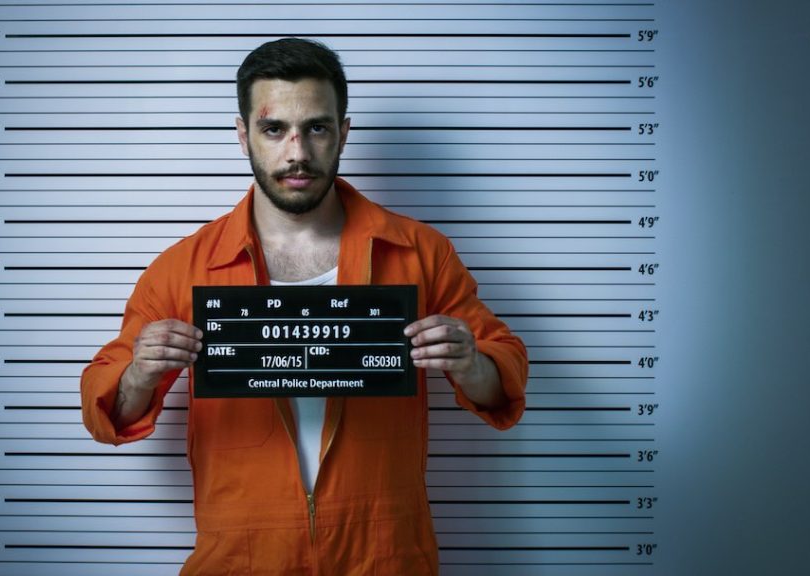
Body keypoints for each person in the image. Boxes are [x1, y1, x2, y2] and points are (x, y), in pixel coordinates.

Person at [81, 38, 528, 575]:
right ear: (243, 135)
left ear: (343, 131)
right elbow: (105, 409)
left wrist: (471, 362)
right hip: (240, 561)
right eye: (274, 130)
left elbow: (504, 378)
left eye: (316, 127)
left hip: (385, 558)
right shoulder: (183, 267)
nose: (297, 152)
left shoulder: (420, 252)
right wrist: (139, 376)